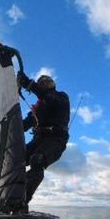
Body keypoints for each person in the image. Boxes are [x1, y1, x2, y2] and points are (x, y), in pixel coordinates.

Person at [16, 72, 70, 209]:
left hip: (56, 140)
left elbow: (49, 98)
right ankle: (9, 198)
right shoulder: (38, 108)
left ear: (53, 84)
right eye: (42, 81)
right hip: (38, 140)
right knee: (15, 161)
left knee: (37, 160)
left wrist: (28, 84)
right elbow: (25, 124)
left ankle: (21, 202)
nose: (45, 81)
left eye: (48, 80)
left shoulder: (60, 96)